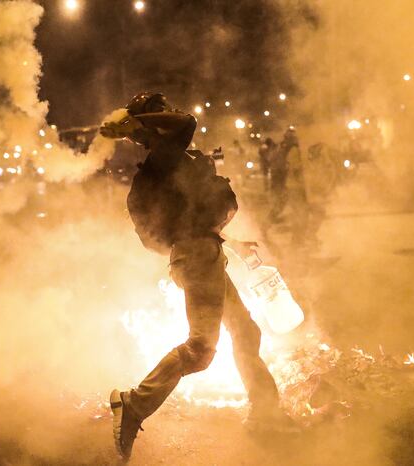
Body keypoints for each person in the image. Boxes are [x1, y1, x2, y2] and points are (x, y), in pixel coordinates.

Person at [100, 92, 298, 461]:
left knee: (245, 331)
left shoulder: (166, 166)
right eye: (161, 113)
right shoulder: (164, 158)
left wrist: (227, 243)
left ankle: (267, 414)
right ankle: (133, 405)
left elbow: (177, 229)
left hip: (201, 256)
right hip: (199, 260)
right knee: (201, 350)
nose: (170, 115)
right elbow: (187, 121)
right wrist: (136, 121)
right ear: (151, 127)